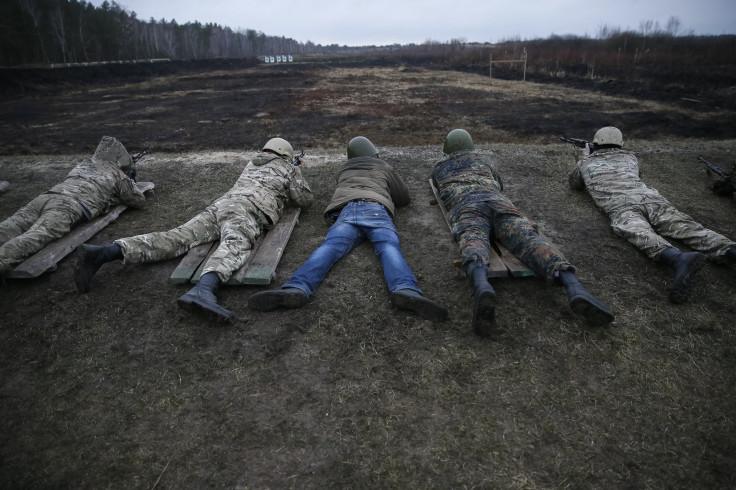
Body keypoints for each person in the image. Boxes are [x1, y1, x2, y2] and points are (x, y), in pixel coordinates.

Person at [75, 137, 313, 321]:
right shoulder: (286, 168)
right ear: (286, 155)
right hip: (247, 210)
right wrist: (297, 169)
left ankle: (105, 252)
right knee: (236, 244)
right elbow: (304, 198)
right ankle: (203, 290)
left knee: (177, 237)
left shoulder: (252, 163)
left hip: (220, 206)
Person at [432, 129, 614, 334]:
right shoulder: (484, 159)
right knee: (528, 240)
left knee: (472, 239)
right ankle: (573, 286)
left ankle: (482, 285)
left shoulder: (439, 167)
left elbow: (439, 187)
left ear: (447, 148)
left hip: (467, 206)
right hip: (498, 203)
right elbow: (499, 184)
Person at [248, 136, 448, 322]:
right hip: (375, 210)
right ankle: (405, 289)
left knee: (330, 247)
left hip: (347, 211)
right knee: (388, 246)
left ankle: (298, 286)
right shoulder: (382, 165)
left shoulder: (344, 169)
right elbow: (404, 197)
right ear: (373, 152)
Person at [569, 126, 736, 304]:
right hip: (652, 199)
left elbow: (575, 184)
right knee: (688, 228)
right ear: (620, 144)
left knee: (638, 231)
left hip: (621, 205)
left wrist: (583, 157)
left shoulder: (585, 163)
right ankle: (729, 250)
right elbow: (635, 173)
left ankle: (677, 259)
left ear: (595, 144)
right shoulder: (631, 157)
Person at [0, 136, 147, 277]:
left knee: (10, 227)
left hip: (48, 196)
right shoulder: (117, 174)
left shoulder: (85, 163)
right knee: (35, 236)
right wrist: (129, 178)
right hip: (68, 207)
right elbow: (137, 200)